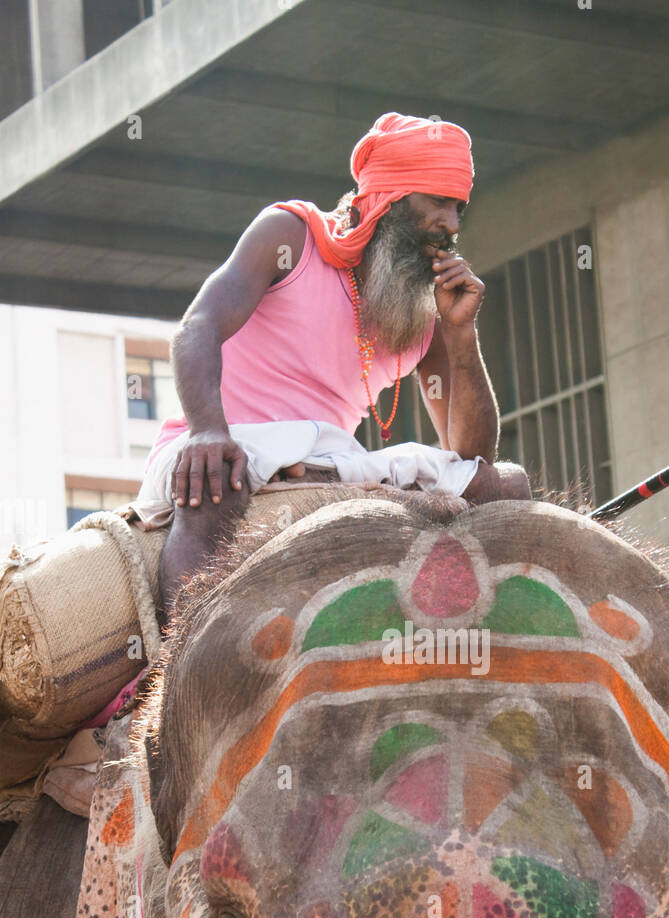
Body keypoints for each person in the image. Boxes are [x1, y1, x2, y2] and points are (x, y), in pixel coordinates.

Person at [132, 111, 531, 612]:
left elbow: (472, 453)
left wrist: (460, 332)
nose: (450, 225)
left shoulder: (426, 312)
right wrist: (209, 430)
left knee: (507, 483)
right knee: (220, 476)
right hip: (228, 441)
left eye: (457, 209)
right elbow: (199, 327)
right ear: (389, 198)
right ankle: (176, 676)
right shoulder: (290, 238)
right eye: (437, 202)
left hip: (330, 463)